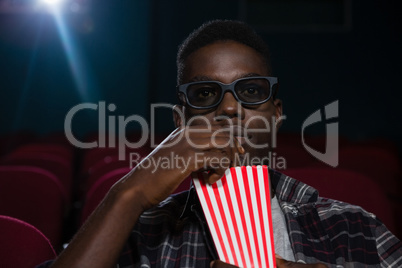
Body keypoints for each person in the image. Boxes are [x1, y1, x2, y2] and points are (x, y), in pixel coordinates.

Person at [42, 20, 401, 267]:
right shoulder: (137, 233)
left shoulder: (353, 227)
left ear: (276, 115)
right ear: (180, 123)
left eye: (250, 91)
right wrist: (130, 192)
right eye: (204, 93)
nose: (229, 108)